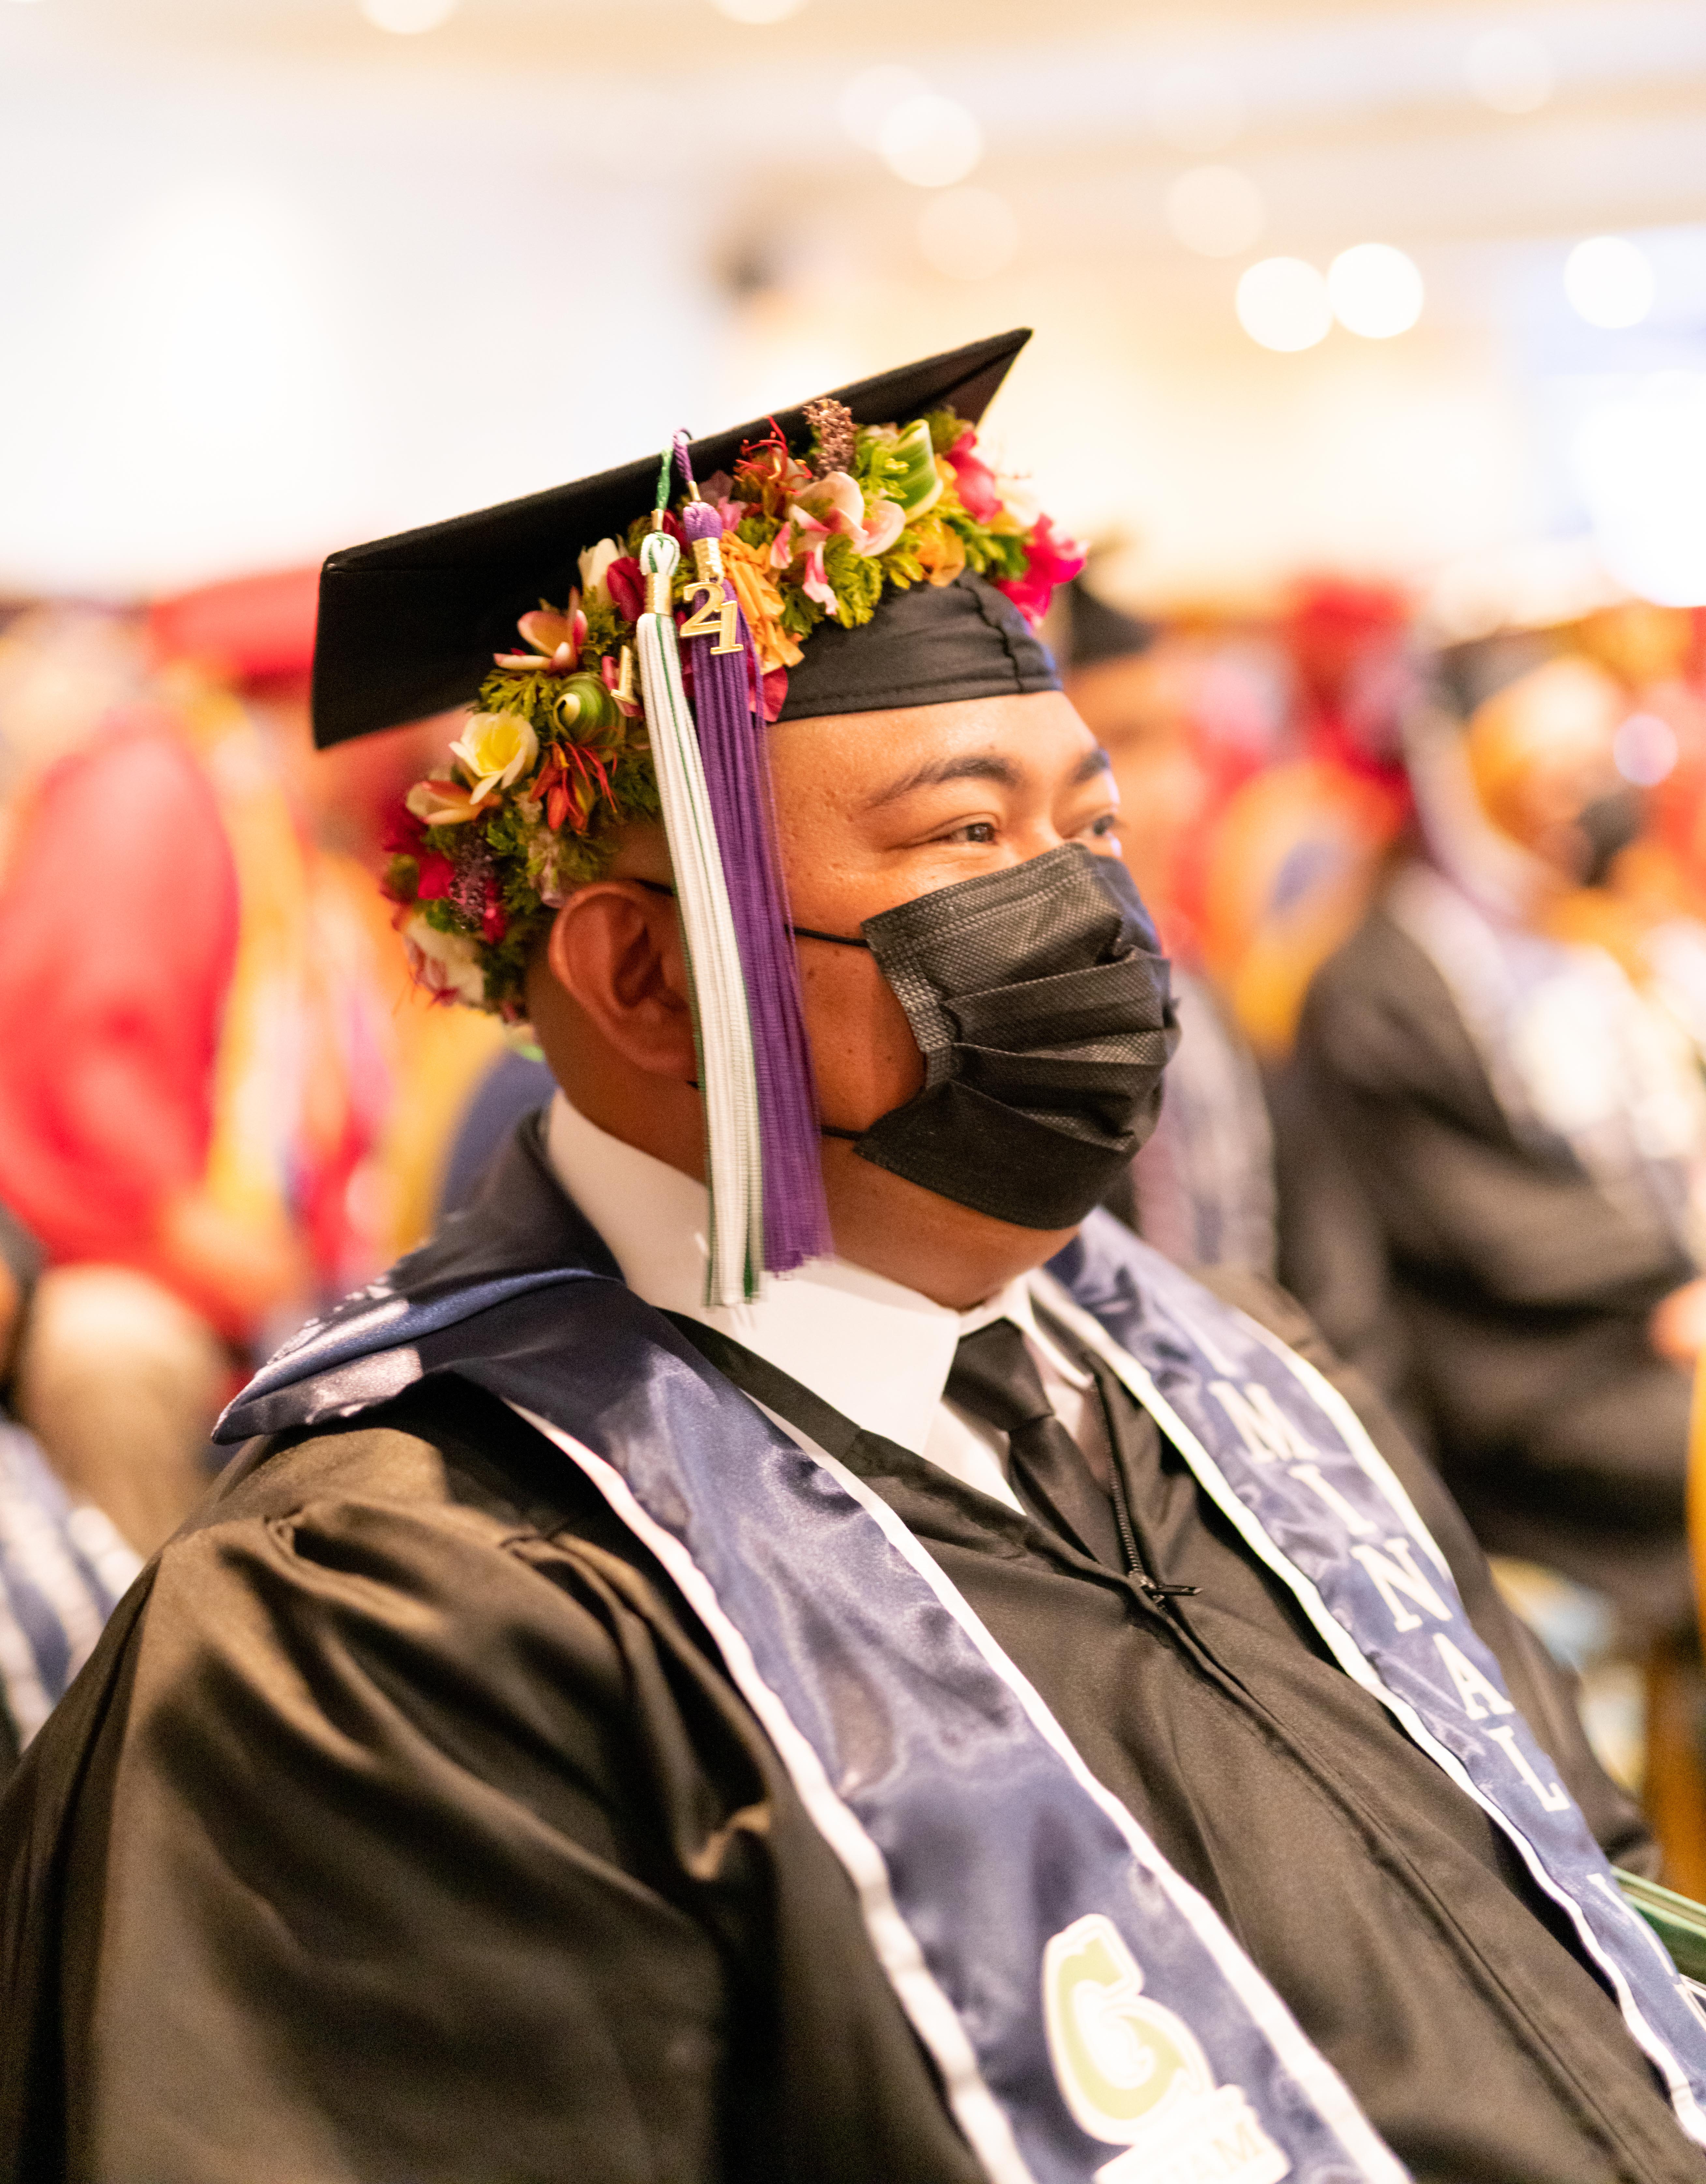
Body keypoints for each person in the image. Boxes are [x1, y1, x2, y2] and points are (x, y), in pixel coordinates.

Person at [6, 332, 1706, 2184]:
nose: (1094, 916)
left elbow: (1577, 1900)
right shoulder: (406, 1625)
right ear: (647, 975)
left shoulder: (1232, 1378)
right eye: (970, 833)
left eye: (1091, 826)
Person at [1287, 642, 1706, 1639]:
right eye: (1550, 773)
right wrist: (1670, 1280)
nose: (1583, 802)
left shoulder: (1618, 931)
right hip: (1544, 1375)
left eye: (1599, 765)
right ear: (1464, 784)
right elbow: (1491, 1227)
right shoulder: (1385, 985)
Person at [1056, 575, 1278, 1273]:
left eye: (1183, 741)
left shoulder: (1197, 978)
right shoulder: (1033, 1035)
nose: (1182, 792)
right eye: (1125, 741)